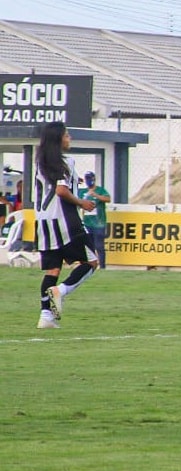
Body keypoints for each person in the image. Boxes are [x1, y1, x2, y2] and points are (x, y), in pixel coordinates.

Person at [33, 122, 99, 329]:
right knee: (92, 261)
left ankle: (46, 316)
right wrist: (81, 202)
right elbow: (61, 191)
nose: (69, 138)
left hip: (43, 223)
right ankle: (60, 291)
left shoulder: (41, 162)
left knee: (53, 269)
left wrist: (73, 183)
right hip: (65, 221)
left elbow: (55, 186)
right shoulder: (64, 162)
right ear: (58, 139)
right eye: (67, 135)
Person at [77, 171, 111, 269]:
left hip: (99, 223)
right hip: (87, 223)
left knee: (99, 246)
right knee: (88, 246)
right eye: (87, 179)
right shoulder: (82, 192)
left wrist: (96, 195)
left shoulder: (100, 190)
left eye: (90, 179)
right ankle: (90, 266)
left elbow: (108, 199)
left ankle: (102, 266)